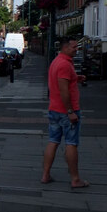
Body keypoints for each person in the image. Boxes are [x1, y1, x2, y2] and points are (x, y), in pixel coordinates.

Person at [41, 36, 90, 189]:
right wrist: (70, 112)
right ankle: (75, 179)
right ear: (65, 48)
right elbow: (64, 91)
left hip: (54, 109)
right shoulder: (64, 64)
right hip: (65, 111)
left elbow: (63, 82)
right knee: (71, 143)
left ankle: (45, 175)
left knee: (53, 141)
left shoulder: (57, 61)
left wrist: (76, 79)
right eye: (74, 47)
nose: (77, 50)